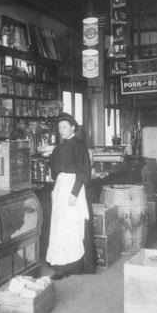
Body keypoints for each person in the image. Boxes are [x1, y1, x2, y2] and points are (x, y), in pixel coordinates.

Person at [46, 113, 92, 280]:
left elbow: (84, 172)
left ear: (73, 127)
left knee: (72, 227)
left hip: (74, 188)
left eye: (65, 127)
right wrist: (55, 188)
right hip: (61, 186)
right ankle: (61, 265)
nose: (61, 130)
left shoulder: (79, 146)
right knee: (59, 227)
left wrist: (74, 193)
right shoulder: (59, 147)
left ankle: (74, 265)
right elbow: (55, 171)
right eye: (59, 128)